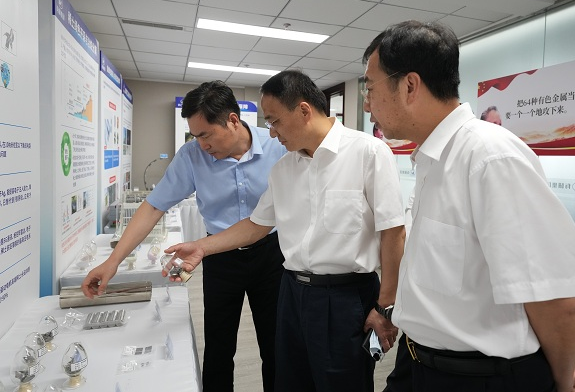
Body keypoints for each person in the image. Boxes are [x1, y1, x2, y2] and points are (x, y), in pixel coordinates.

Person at [362, 20, 575, 392]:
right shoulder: (433, 158)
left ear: (410, 86)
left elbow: (556, 300)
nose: (367, 103)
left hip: (478, 377)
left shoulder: (490, 158)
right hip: (417, 362)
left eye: (370, 87)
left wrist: (559, 379)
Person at [163, 70, 406, 392]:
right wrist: (202, 247)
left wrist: (385, 307)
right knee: (288, 380)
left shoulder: (368, 153)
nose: (272, 133)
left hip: (345, 297)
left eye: (275, 121)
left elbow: (393, 232)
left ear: (304, 111)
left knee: (341, 383)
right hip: (291, 294)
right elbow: (256, 225)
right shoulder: (284, 169)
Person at [81, 80, 287, 392]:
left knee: (276, 346)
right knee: (218, 348)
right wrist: (113, 261)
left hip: (271, 256)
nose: (201, 144)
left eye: (206, 134)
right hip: (219, 257)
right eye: (195, 136)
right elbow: (153, 206)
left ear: (233, 120)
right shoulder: (192, 156)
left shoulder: (276, 146)